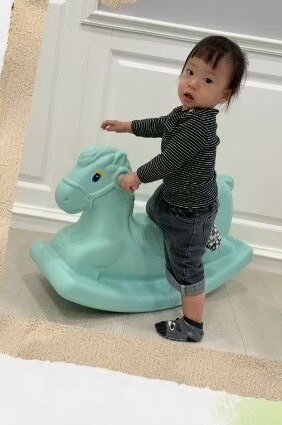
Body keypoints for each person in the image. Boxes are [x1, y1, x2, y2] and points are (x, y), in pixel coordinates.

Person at [101, 34, 248, 342]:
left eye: (207, 80)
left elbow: (169, 161)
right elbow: (159, 125)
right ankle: (206, 231)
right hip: (174, 198)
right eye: (190, 71)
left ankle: (192, 325)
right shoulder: (183, 114)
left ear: (224, 95)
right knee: (154, 209)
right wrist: (128, 126)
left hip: (190, 213)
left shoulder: (199, 127)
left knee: (186, 268)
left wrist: (138, 176)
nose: (192, 83)